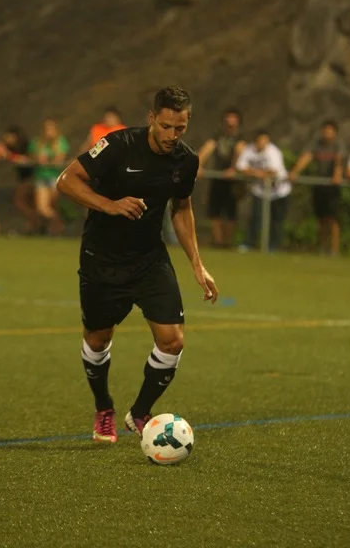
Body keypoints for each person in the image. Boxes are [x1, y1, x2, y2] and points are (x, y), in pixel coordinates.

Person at [56, 86, 218, 443]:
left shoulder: (186, 160)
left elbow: (181, 208)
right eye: (166, 127)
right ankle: (104, 409)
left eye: (180, 128)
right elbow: (66, 181)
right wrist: (109, 205)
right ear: (152, 118)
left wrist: (197, 264)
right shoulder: (118, 145)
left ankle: (141, 413)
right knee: (98, 339)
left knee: (173, 341)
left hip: (149, 259)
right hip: (102, 259)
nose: (172, 135)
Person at [289, 120, 344, 256]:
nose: (327, 134)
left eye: (330, 131)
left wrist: (337, 174)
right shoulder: (316, 144)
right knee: (321, 219)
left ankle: (334, 251)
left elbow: (339, 161)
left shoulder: (338, 145)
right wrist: (295, 172)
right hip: (320, 184)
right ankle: (323, 248)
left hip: (332, 186)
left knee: (333, 219)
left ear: (335, 133)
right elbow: (306, 157)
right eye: (325, 131)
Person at [236, 129, 291, 252]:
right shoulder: (249, 150)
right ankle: (248, 243)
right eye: (260, 140)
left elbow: (273, 171)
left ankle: (273, 246)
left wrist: (254, 173)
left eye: (265, 140)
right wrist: (258, 174)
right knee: (256, 217)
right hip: (260, 191)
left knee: (276, 220)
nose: (263, 143)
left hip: (279, 191)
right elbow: (241, 167)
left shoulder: (273, 152)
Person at [198, 108, 246, 248]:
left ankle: (227, 242)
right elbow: (207, 149)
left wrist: (234, 168)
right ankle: (218, 241)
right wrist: (198, 166)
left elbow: (240, 151)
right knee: (215, 210)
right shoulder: (218, 137)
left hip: (233, 181)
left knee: (230, 211)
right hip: (218, 177)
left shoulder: (241, 138)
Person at [29, 119, 69, 235]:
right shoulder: (37, 142)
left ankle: (55, 230)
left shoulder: (61, 142)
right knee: (42, 208)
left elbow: (60, 159)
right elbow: (31, 156)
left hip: (55, 177)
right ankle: (59, 225)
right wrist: (38, 158)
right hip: (41, 176)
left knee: (53, 205)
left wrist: (49, 159)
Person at [0, 125, 38, 234]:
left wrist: (9, 155)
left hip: (31, 178)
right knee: (27, 203)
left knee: (20, 201)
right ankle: (32, 227)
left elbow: (25, 159)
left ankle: (35, 220)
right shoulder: (10, 148)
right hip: (23, 179)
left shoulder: (26, 146)